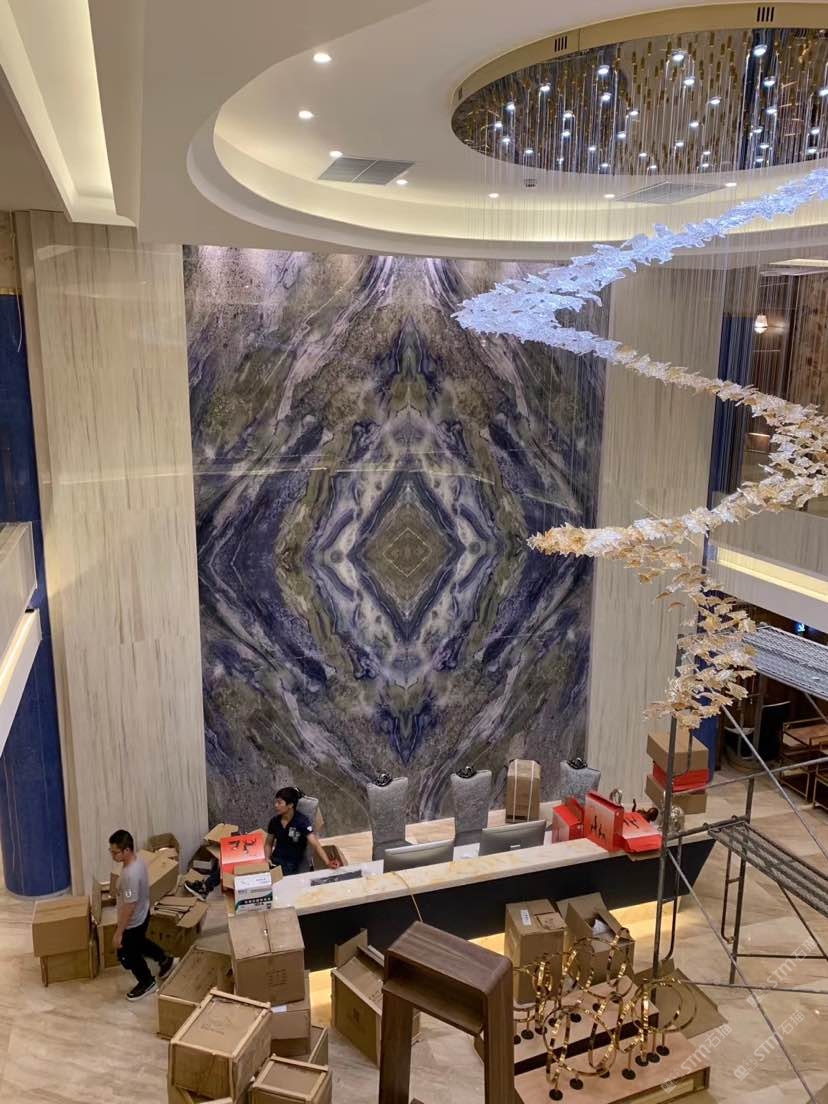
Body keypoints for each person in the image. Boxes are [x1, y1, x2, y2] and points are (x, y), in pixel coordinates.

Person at [184, 787, 335, 900]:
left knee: (253, 880)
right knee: (234, 861)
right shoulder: (274, 822)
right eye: (276, 802)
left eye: (279, 802)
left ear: (290, 805)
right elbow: (268, 843)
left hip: (288, 866)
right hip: (273, 860)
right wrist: (266, 858)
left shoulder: (301, 822)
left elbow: (314, 843)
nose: (276, 805)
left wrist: (328, 862)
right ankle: (205, 887)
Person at [108, 829, 175, 1000]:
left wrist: (119, 932)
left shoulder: (130, 875)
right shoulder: (138, 862)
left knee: (129, 955)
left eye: (115, 852)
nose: (112, 855)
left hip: (133, 921)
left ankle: (146, 982)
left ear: (126, 850)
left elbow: (129, 905)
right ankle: (163, 958)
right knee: (140, 943)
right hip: (143, 913)